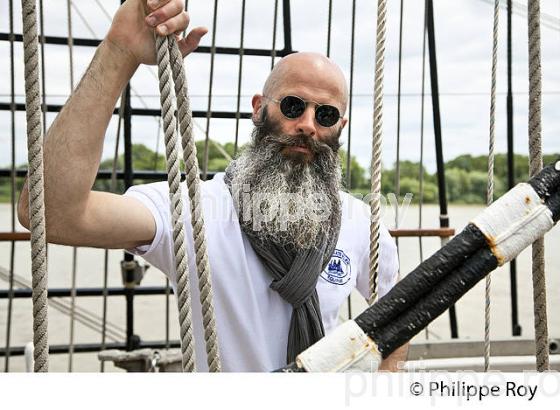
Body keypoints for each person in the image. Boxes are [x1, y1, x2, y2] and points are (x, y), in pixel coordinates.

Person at [17, 0, 407, 371]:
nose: (307, 124)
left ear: (340, 127)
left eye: (325, 114)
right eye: (292, 106)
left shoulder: (359, 221)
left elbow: (402, 307)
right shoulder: (197, 209)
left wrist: (387, 376)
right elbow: (53, 213)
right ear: (259, 108)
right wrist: (119, 51)